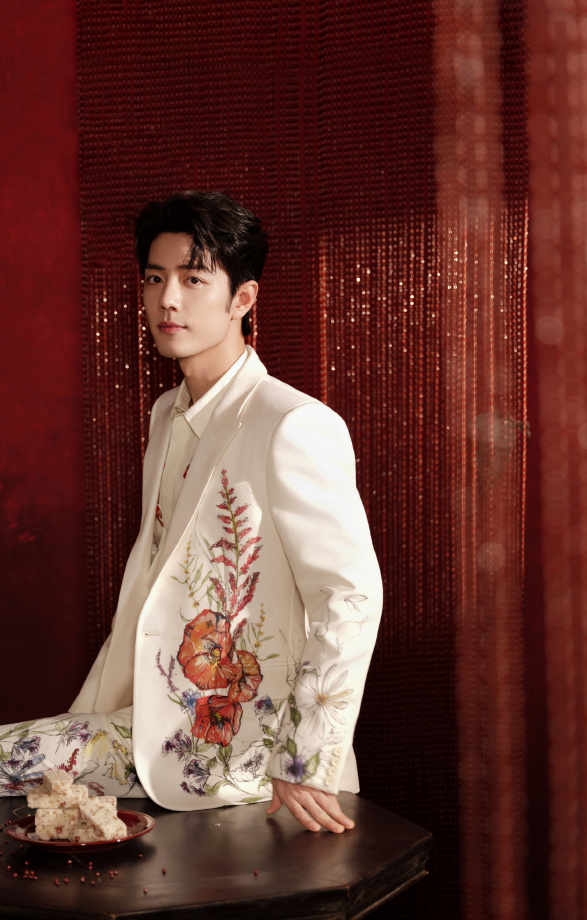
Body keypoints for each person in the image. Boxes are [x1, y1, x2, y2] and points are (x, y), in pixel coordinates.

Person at [0, 191, 382, 834]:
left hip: (245, 748)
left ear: (243, 299)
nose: (167, 299)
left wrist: (305, 757)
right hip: (146, 724)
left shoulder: (293, 423)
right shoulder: (166, 414)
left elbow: (350, 595)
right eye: (155, 279)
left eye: (193, 279)